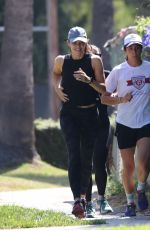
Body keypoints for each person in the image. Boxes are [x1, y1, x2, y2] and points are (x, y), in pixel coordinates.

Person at [52, 26, 105, 218]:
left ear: (86, 43)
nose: (79, 46)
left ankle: (83, 197)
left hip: (90, 114)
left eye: (82, 42)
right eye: (75, 43)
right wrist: (57, 88)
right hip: (69, 114)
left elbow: (103, 89)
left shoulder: (94, 61)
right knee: (74, 154)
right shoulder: (61, 60)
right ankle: (77, 201)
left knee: (86, 159)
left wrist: (88, 79)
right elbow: (56, 73)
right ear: (68, 43)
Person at [101, 33, 150, 217]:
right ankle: (130, 203)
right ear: (125, 50)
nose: (134, 50)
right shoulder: (118, 71)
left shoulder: (149, 69)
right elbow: (104, 98)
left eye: (137, 47)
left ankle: (141, 189)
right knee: (128, 167)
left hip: (146, 121)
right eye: (130, 47)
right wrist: (122, 99)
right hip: (125, 124)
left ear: (141, 49)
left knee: (144, 163)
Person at [85, 44, 113, 217]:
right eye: (92, 56)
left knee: (100, 163)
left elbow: (111, 94)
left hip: (102, 124)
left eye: (98, 55)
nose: (96, 58)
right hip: (84, 125)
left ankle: (102, 199)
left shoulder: (109, 76)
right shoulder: (80, 78)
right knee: (86, 164)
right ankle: (88, 203)